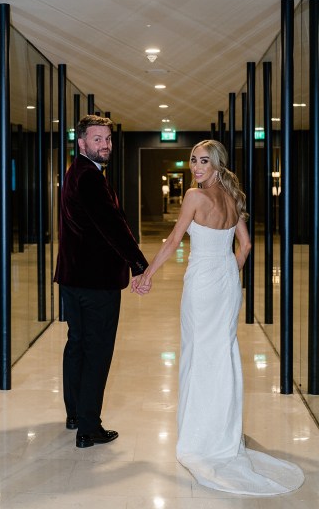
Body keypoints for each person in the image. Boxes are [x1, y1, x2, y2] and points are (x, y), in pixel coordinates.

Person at [133, 140, 304, 496]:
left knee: (199, 353)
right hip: (226, 281)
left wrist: (146, 274)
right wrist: (230, 271)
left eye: (203, 161)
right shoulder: (233, 199)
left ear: (217, 164)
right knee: (222, 354)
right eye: (193, 160)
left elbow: (173, 241)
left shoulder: (195, 197)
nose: (196, 167)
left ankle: (201, 436)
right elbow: (245, 245)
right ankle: (223, 432)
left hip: (202, 283)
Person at [54, 114, 148, 448]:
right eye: (97, 139)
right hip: (96, 283)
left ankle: (75, 414)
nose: (105, 144)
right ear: (81, 143)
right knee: (96, 352)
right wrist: (138, 263)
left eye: (107, 139)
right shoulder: (90, 177)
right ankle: (88, 428)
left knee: (77, 344)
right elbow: (111, 225)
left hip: (73, 279)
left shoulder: (74, 172)